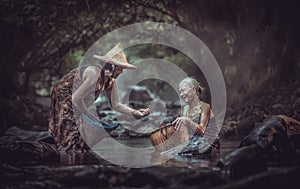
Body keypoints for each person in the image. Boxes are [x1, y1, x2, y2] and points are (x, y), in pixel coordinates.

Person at [49, 43, 149, 154]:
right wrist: (87, 115)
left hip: (78, 99)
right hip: (64, 94)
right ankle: (67, 153)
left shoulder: (110, 81)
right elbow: (76, 98)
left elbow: (115, 104)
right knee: (71, 128)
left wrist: (135, 112)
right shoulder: (94, 73)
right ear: (111, 66)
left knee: (83, 135)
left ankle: (76, 153)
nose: (122, 72)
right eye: (121, 68)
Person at [172, 77, 220, 155]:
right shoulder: (185, 109)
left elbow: (202, 130)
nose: (181, 94)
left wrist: (188, 121)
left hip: (209, 143)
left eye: (183, 90)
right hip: (194, 141)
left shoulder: (205, 107)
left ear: (194, 90)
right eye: (180, 92)